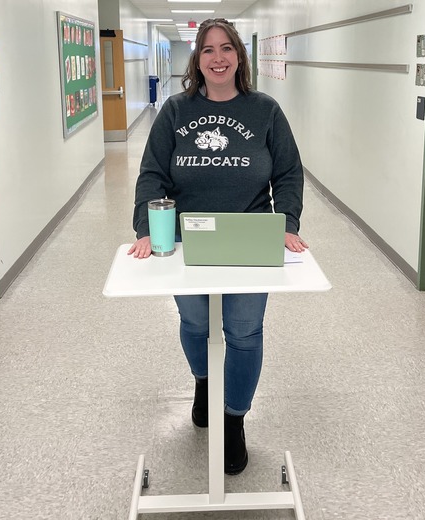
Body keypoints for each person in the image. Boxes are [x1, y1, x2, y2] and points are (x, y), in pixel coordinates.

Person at [128, 18, 308, 475]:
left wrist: (286, 223)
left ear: (239, 57)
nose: (218, 57)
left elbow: (287, 173)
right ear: (197, 59)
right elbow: (153, 174)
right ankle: (204, 382)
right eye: (208, 50)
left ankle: (233, 419)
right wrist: (146, 229)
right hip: (187, 240)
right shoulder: (174, 111)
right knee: (194, 322)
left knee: (244, 332)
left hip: (250, 239)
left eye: (227, 48)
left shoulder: (265, 110)